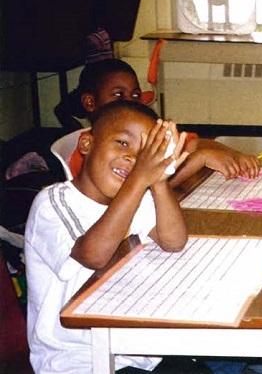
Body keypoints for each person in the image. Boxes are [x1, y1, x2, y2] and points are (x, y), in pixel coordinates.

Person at [25, 100, 192, 373]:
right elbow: (93, 255)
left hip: (135, 347)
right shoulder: (53, 203)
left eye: (144, 154)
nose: (132, 159)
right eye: (123, 143)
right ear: (87, 144)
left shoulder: (136, 196)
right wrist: (140, 178)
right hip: (80, 359)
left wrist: (159, 179)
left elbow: (173, 241)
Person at [59, 59, 261, 187]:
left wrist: (233, 155)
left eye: (135, 95)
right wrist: (201, 158)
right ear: (90, 102)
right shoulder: (91, 152)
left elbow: (192, 143)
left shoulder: (137, 135)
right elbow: (140, 187)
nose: (129, 102)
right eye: (118, 95)